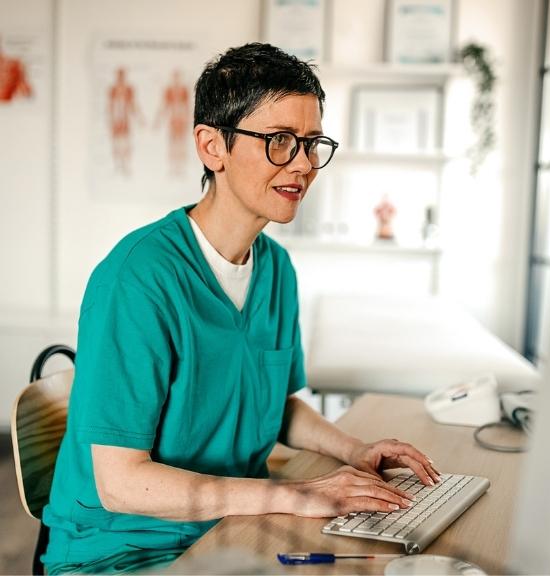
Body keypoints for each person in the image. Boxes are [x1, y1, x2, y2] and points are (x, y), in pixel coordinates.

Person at [42, 43, 440, 574]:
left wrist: (355, 450)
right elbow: (120, 482)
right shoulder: (137, 281)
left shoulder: (275, 269)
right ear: (212, 147)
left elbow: (273, 405)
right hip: (122, 552)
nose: (302, 165)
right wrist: (299, 495)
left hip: (235, 529)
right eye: (279, 141)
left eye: (311, 142)